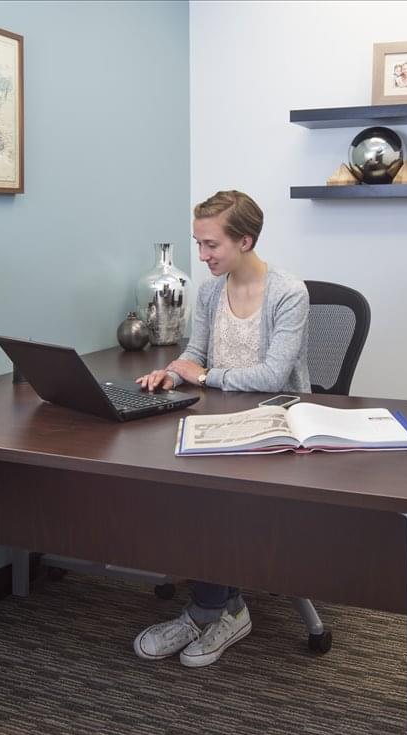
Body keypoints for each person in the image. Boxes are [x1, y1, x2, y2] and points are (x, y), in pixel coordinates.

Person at [133, 189, 310, 668]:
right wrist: (174, 371)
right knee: (172, 479)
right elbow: (197, 351)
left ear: (245, 240)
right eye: (199, 243)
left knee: (215, 494)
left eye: (211, 245)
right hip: (218, 420)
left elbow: (273, 376)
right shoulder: (212, 290)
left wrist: (206, 377)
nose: (203, 256)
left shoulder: (289, 293)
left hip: (275, 423)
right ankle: (228, 608)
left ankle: (204, 610)